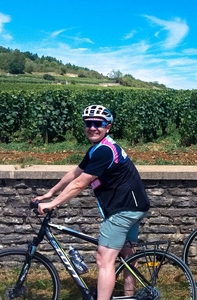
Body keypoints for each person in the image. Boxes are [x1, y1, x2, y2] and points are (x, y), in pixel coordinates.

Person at [33, 104, 150, 300]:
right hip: (134, 206)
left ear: (108, 127)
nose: (92, 127)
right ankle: (130, 296)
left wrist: (52, 204)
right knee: (128, 255)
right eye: (89, 123)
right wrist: (50, 193)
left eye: (98, 123)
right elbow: (75, 173)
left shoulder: (104, 151)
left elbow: (79, 183)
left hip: (123, 210)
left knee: (104, 259)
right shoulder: (98, 148)